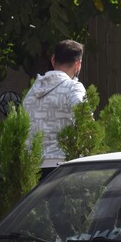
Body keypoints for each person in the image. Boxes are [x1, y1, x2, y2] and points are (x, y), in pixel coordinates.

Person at [23, 40, 86, 178]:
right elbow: (85, 122)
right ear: (78, 64)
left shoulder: (32, 91)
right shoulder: (74, 88)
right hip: (63, 166)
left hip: (32, 166)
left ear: (53, 60)